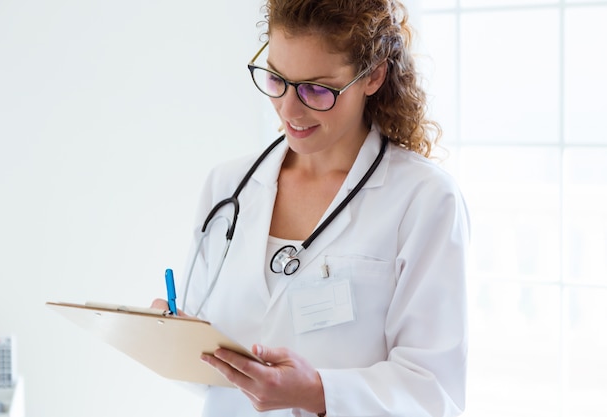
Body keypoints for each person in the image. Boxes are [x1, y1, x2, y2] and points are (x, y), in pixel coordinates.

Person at [152, 0, 470, 416]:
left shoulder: (424, 199)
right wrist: (169, 338)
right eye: (276, 79)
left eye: (316, 89)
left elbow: (434, 393)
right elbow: (206, 367)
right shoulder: (227, 187)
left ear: (373, 75)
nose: (288, 109)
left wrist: (318, 393)